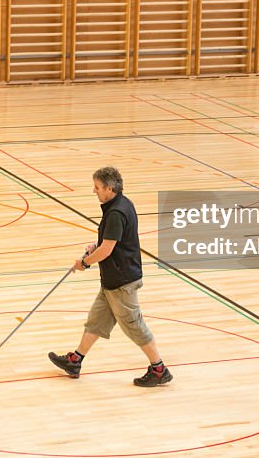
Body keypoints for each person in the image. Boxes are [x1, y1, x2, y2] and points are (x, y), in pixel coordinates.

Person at [48, 166, 171, 387]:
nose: (94, 191)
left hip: (122, 282)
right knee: (96, 321)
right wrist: (97, 245)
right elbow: (112, 242)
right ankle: (75, 361)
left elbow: (107, 250)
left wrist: (85, 262)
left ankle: (159, 369)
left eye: (97, 187)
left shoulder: (116, 212)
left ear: (110, 188)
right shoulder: (121, 204)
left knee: (134, 326)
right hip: (112, 280)